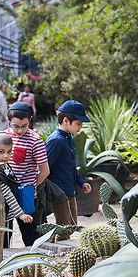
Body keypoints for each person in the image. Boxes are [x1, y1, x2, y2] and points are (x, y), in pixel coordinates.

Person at [45, 100, 92, 238]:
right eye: (78, 123)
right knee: (65, 228)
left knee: (71, 226)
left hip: (70, 189)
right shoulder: (56, 140)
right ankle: (49, 242)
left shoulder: (69, 138)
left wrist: (81, 182)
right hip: (59, 192)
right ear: (66, 121)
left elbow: (71, 166)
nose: (80, 127)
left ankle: (57, 241)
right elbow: (45, 166)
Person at [6, 101, 50, 246]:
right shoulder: (3, 137)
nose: (20, 130)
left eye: (24, 126)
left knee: (31, 237)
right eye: (16, 126)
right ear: (8, 121)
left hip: (26, 195)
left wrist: (31, 186)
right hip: (6, 193)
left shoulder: (35, 140)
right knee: (4, 235)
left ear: (30, 120)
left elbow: (45, 170)